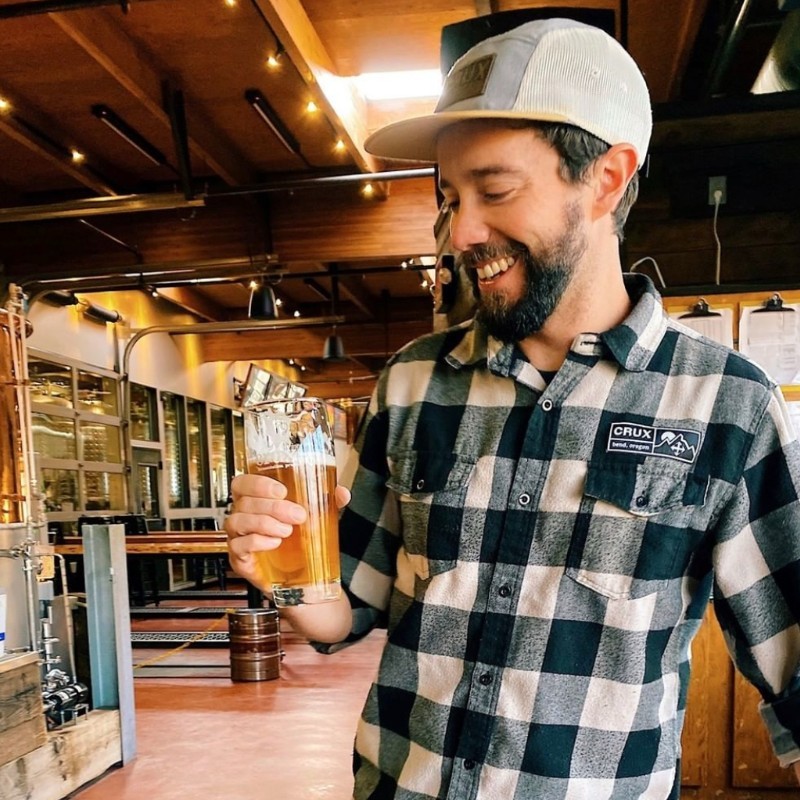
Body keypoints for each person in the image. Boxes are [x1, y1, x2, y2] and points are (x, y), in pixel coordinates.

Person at [226, 18, 800, 799]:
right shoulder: (413, 381)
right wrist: (282, 567)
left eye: (494, 190)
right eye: (449, 197)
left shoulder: (727, 404)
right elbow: (346, 607)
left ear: (606, 180)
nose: (461, 230)